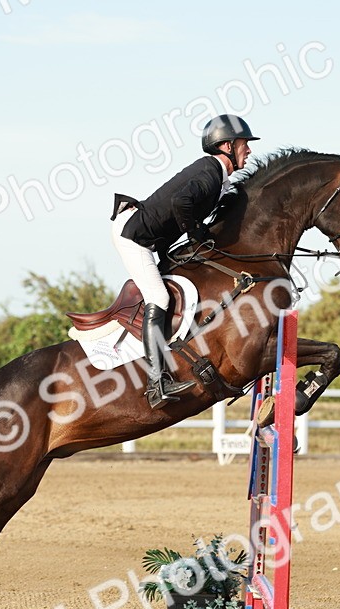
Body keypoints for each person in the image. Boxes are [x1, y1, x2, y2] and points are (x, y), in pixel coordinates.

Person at [110, 113, 259, 409]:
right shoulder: (210, 173)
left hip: (151, 235)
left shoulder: (217, 176)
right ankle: (156, 383)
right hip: (133, 236)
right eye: (244, 144)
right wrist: (198, 234)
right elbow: (181, 203)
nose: (249, 150)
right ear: (227, 146)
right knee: (159, 298)